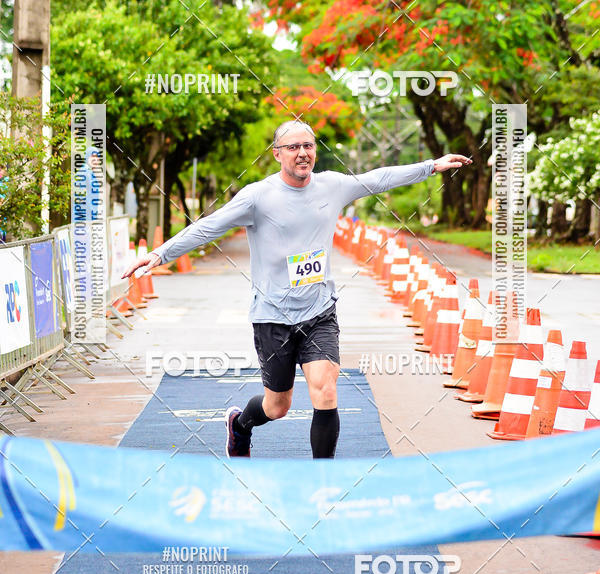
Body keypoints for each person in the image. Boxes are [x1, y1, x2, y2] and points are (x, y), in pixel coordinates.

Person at [122, 120, 471, 458]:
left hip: (319, 310)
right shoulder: (257, 197)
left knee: (326, 389)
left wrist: (432, 166)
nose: (302, 153)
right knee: (278, 406)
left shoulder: (332, 185)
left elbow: (378, 179)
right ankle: (240, 425)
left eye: (308, 145)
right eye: (293, 147)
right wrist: (159, 254)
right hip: (273, 315)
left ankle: (323, 480)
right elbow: (208, 227)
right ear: (277, 154)